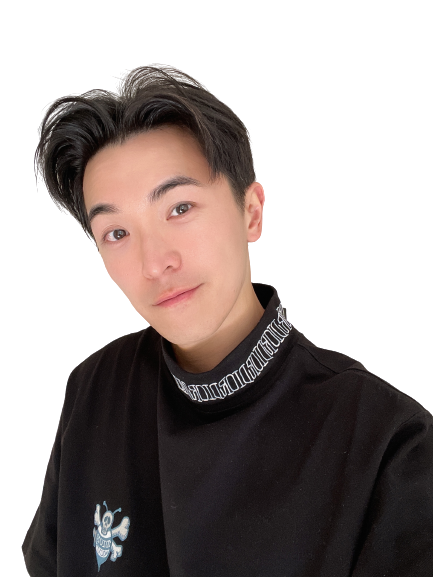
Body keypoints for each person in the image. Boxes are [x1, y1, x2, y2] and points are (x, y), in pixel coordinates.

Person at [22, 63, 432, 576]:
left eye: (179, 208)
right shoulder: (93, 390)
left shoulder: (385, 440)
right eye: (117, 233)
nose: (155, 264)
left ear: (251, 212)